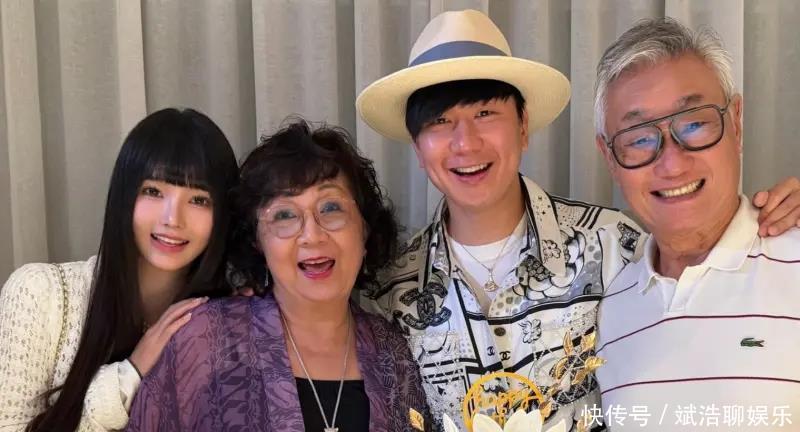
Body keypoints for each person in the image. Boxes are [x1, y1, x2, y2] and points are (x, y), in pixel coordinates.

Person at [355, 9, 800, 431]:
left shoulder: (617, 247)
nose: (465, 143)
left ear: (523, 126)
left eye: (485, 112)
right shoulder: (388, 294)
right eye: (439, 121)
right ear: (417, 148)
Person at [125, 119, 431, 432]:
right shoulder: (207, 338)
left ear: (364, 228)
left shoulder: (393, 352)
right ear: (257, 241)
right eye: (284, 215)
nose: (311, 235)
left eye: (330, 208)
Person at [593, 18, 800, 431]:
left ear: (736, 122)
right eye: (638, 138)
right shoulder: (611, 309)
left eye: (694, 123)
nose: (672, 163)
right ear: (610, 158)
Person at [0, 108, 239, 431]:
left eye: (199, 200)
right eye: (153, 192)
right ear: (124, 197)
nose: (172, 219)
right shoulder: (39, 295)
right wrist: (130, 375)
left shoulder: (229, 321)